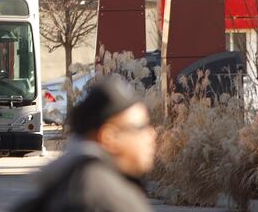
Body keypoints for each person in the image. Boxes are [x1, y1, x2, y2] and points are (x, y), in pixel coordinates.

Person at [12, 77, 156, 212]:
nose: (152, 135)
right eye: (141, 127)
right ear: (109, 137)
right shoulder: (105, 198)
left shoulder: (65, 183)